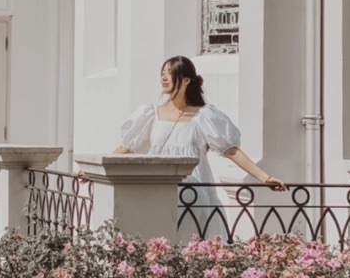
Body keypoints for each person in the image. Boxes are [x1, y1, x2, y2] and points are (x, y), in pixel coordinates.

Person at [114, 56, 287, 236]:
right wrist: (98, 171)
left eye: (170, 73)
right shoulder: (151, 114)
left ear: (186, 80)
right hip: (157, 190)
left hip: (192, 195)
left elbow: (231, 151)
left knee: (189, 241)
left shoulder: (204, 116)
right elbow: (127, 147)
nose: (164, 78)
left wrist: (265, 178)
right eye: (162, 73)